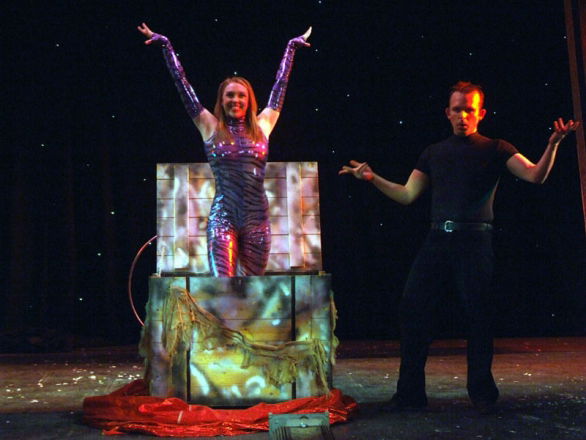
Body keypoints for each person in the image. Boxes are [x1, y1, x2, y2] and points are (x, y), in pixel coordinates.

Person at [339, 81, 579, 414]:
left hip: (475, 241)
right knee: (412, 308)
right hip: (438, 240)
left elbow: (535, 176)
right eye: (457, 109)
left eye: (469, 110)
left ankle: (482, 393)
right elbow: (408, 194)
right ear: (447, 113)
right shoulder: (434, 152)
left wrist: (553, 145)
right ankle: (410, 393)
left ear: (481, 113)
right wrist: (372, 178)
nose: (463, 116)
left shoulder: (496, 148)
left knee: (478, 314)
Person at [138, 23, 311, 277]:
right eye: (230, 95)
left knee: (251, 289)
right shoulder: (209, 126)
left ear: (249, 100)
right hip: (223, 219)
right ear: (222, 100)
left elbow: (280, 85)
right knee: (223, 287)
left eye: (241, 96)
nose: (235, 100)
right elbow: (183, 85)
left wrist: (291, 49)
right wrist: (166, 46)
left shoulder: (263, 125)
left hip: (257, 220)